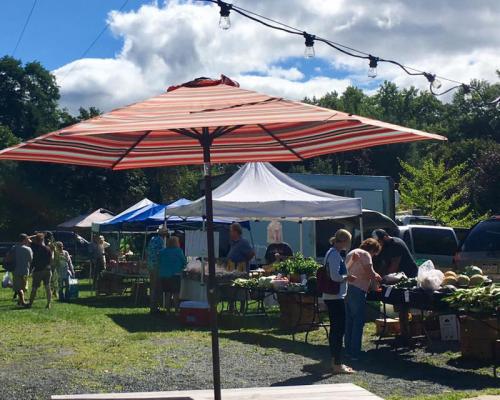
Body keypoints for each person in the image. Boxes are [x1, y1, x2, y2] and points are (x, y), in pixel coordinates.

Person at [372, 229, 418, 342]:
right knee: (399, 305)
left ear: (385, 237)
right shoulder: (384, 247)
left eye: (380, 242)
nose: (379, 245)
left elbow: (394, 265)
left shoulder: (396, 244)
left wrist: (383, 279)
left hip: (407, 277)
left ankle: (407, 334)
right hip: (396, 278)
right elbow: (383, 264)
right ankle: (403, 330)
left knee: (404, 305)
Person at [322, 229, 357, 374]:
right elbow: (335, 276)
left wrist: (347, 269)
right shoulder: (335, 255)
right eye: (348, 241)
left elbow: (336, 272)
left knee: (335, 330)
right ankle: (337, 363)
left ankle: (334, 361)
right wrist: (347, 278)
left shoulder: (331, 253)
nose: (348, 244)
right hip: (335, 297)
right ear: (343, 241)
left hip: (332, 296)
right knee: (338, 330)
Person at [345, 238, 382, 360]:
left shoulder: (352, 252)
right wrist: (377, 277)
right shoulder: (365, 254)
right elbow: (369, 272)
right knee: (358, 321)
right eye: (374, 253)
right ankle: (355, 352)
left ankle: (348, 349)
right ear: (372, 249)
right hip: (358, 289)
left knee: (349, 320)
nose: (374, 256)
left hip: (348, 288)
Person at [158, 236, 187, 312]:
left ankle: (167, 311)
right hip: (175, 275)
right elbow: (184, 262)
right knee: (175, 294)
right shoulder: (178, 251)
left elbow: (159, 262)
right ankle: (177, 311)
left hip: (164, 275)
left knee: (167, 294)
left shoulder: (162, 251)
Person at [146, 227, 168, 314]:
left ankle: (153, 306)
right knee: (156, 286)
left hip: (150, 265)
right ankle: (154, 307)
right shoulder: (161, 241)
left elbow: (148, 251)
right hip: (157, 265)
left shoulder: (152, 239)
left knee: (152, 286)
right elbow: (161, 253)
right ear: (164, 234)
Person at [29, 233, 53, 309]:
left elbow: (26, 238)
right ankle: (48, 304)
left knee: (34, 288)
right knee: (47, 287)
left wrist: (34, 236)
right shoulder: (48, 249)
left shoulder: (34, 247)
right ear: (43, 240)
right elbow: (51, 260)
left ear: (36, 240)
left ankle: (30, 303)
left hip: (38, 270)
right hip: (47, 270)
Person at [12, 234, 33, 307]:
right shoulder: (28, 249)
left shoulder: (14, 248)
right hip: (25, 270)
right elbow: (31, 260)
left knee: (19, 288)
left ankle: (20, 301)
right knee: (23, 288)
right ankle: (22, 302)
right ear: (24, 240)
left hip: (16, 270)